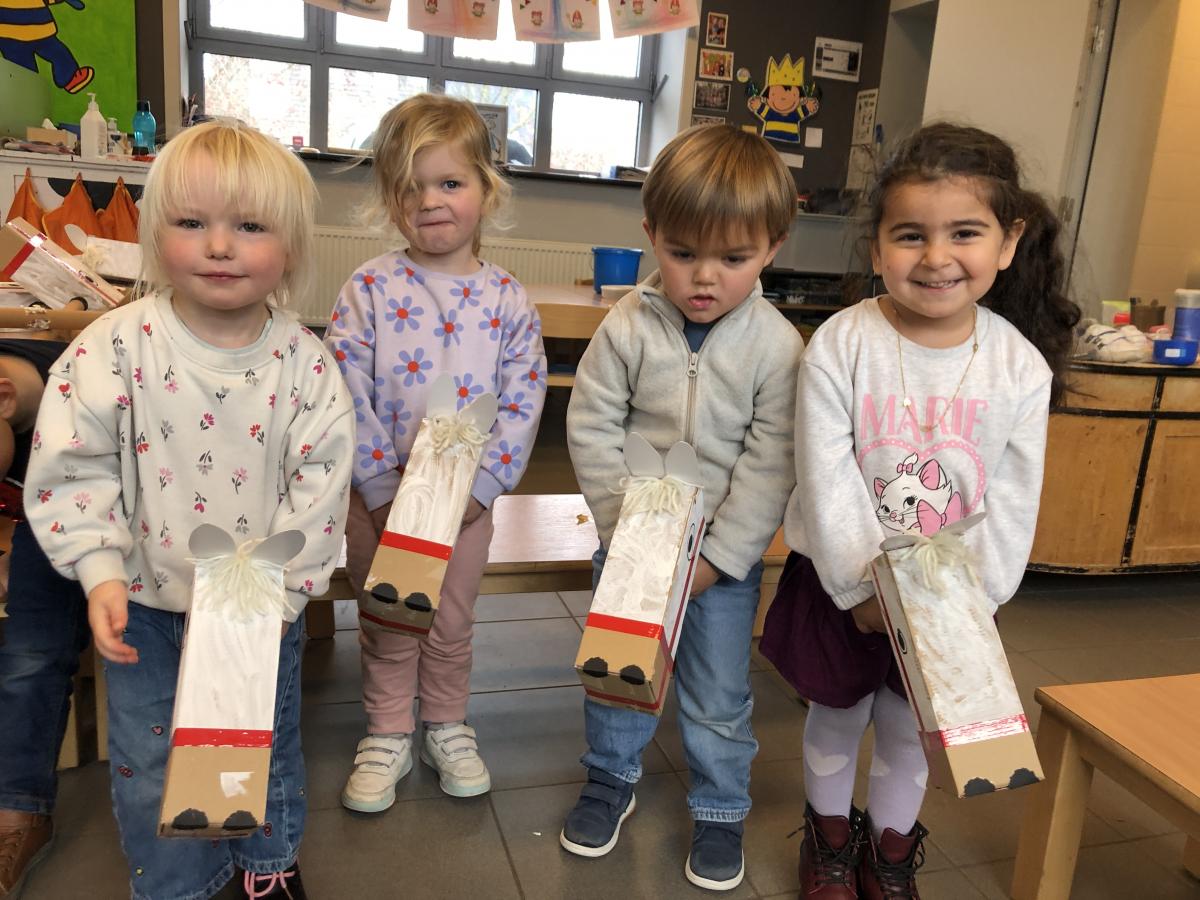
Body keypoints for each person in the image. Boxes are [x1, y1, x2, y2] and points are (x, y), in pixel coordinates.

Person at [22, 119, 355, 900]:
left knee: (259, 742)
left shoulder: (305, 366)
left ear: (291, 248)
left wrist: (283, 596)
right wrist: (99, 570)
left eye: (250, 227)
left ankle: (267, 866)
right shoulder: (112, 346)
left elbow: (321, 483)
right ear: (154, 234)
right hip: (142, 601)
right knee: (149, 759)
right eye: (192, 222)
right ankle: (178, 885)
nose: (220, 246)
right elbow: (73, 461)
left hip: (255, 605)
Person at [759, 122, 1081, 899]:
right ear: (877, 247)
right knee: (836, 715)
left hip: (948, 602)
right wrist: (862, 591)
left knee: (911, 728)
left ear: (1008, 242)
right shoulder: (842, 344)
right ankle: (830, 846)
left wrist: (969, 605)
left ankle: (890, 855)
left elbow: (1013, 500)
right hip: (843, 588)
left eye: (964, 233)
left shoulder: (1019, 369)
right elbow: (826, 476)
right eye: (911, 235)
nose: (937, 257)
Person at [561, 124, 804, 892]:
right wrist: (623, 535)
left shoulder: (777, 346)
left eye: (733, 258)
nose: (704, 277)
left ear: (772, 247)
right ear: (650, 235)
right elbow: (592, 426)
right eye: (682, 252)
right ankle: (610, 778)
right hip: (633, 548)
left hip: (721, 568)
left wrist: (719, 559)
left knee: (717, 693)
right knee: (617, 674)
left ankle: (721, 806)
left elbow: (770, 463)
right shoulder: (627, 325)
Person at [325, 93, 545, 813]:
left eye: (450, 182)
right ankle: (388, 731)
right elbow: (343, 387)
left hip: (465, 507)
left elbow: (523, 399)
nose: (429, 201)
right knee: (390, 618)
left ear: (487, 189)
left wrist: (483, 487)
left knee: (450, 620)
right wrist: (378, 486)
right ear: (390, 198)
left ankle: (445, 724)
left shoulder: (508, 300)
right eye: (410, 186)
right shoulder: (368, 288)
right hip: (379, 501)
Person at [0, 337, 91, 899]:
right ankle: (18, 812)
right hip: (42, 524)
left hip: (151, 509)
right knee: (31, 651)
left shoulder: (90, 374)